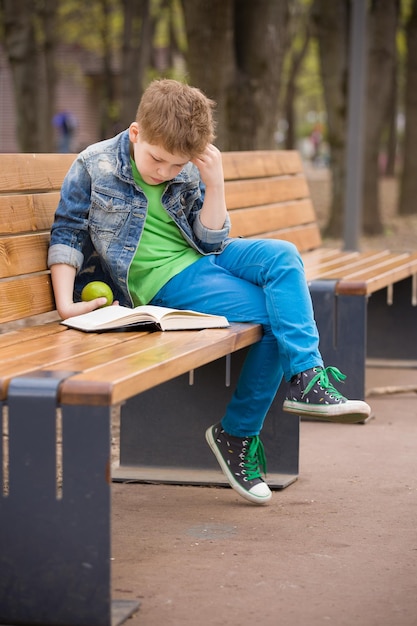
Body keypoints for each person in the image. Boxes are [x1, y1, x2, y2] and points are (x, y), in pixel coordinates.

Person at [48, 79, 371, 506]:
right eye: (157, 160)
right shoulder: (94, 165)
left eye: (174, 165)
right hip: (164, 283)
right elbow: (67, 231)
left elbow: (211, 241)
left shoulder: (183, 169)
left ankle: (306, 376)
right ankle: (237, 433)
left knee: (283, 257)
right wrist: (65, 304)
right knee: (279, 314)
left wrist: (214, 184)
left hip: (204, 260)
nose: (164, 172)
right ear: (135, 132)